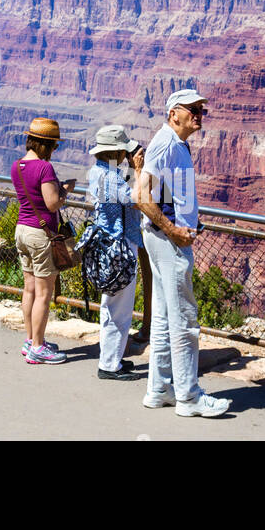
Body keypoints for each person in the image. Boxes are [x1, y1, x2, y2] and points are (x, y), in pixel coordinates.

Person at [134, 88, 231, 418]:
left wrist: (185, 221)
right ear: (174, 112)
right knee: (185, 321)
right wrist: (174, 229)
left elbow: (163, 192)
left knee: (162, 319)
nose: (199, 115)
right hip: (168, 242)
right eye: (193, 109)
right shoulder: (165, 143)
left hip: (163, 239)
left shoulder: (176, 144)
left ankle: (158, 390)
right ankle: (189, 397)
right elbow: (141, 196)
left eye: (201, 109)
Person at [87, 124, 144, 380]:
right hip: (119, 247)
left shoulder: (97, 172)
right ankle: (110, 365)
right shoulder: (110, 178)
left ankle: (113, 357)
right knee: (119, 308)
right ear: (117, 152)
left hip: (107, 245)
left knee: (111, 305)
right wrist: (139, 170)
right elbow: (137, 198)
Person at [11, 117, 68, 365]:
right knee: (44, 293)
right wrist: (65, 190)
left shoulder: (17, 166)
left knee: (29, 288)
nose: (55, 150)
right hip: (40, 234)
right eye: (54, 145)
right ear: (45, 144)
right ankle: (38, 347)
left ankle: (30, 339)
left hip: (22, 230)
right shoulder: (45, 168)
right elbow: (52, 203)